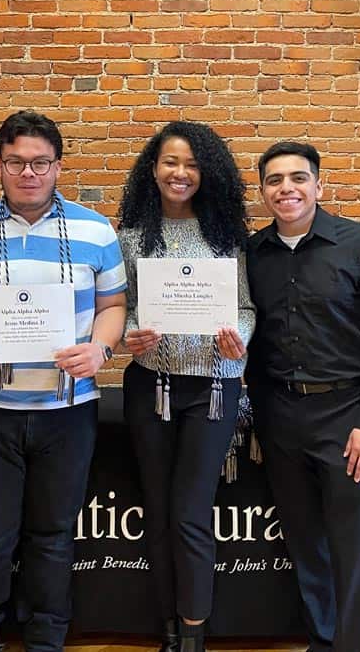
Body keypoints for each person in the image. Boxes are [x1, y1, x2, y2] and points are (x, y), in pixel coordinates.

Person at [0, 109, 127, 652]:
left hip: (68, 411)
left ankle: (45, 638)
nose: (28, 173)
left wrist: (101, 347)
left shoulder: (95, 229)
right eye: (16, 162)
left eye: (40, 162)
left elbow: (114, 305)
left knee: (54, 537)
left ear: (58, 166)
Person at [242, 141, 360, 652]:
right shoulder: (251, 254)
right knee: (304, 544)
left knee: (353, 549)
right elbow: (250, 334)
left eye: (297, 178)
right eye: (274, 180)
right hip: (281, 418)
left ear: (318, 185)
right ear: (263, 191)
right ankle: (322, 641)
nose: (285, 188)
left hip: (347, 418)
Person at [117, 122, 255, 652]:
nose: (181, 173)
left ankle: (194, 632)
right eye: (171, 162)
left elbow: (245, 308)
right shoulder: (130, 238)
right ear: (153, 170)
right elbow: (122, 308)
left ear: (208, 172)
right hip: (151, 386)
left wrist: (237, 339)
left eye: (193, 164)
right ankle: (168, 629)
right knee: (157, 508)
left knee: (191, 511)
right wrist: (132, 334)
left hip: (214, 390)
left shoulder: (227, 239)